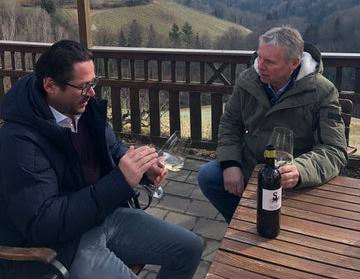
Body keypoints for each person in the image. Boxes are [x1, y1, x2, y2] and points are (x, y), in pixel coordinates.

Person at [0, 40, 202, 279]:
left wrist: (141, 168)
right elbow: (44, 223)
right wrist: (120, 181)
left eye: (94, 82)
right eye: (84, 86)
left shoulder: (80, 110)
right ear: (50, 85)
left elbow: (113, 147)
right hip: (63, 245)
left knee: (190, 248)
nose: (93, 92)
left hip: (102, 216)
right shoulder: (20, 141)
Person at [198, 26, 348, 223]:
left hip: (291, 176)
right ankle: (242, 223)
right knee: (208, 176)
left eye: (269, 61)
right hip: (251, 164)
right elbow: (230, 123)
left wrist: (301, 171)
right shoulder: (247, 80)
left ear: (294, 63)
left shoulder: (322, 91)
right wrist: (231, 163)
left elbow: (334, 149)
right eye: (259, 57)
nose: (260, 65)